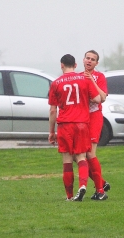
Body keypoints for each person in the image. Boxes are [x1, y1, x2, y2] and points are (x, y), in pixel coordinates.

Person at [48, 54, 101, 201]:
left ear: (61, 65)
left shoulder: (56, 83)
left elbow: (53, 110)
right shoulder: (84, 79)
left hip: (65, 124)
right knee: (82, 156)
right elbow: (97, 99)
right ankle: (83, 185)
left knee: (67, 159)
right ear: (76, 65)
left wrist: (51, 132)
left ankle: (70, 196)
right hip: (82, 124)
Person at [81, 50, 110, 200]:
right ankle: (102, 182)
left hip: (94, 117)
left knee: (90, 154)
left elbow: (102, 97)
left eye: (93, 59)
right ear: (83, 59)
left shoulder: (99, 77)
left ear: (96, 63)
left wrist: (91, 80)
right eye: (87, 58)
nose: (89, 61)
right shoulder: (78, 76)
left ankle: (100, 190)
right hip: (81, 118)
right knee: (78, 156)